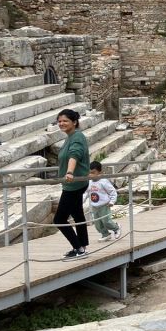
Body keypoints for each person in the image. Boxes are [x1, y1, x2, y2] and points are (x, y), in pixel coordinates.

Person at [55, 108, 91, 261]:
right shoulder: (71, 136)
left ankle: (78, 248)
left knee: (59, 219)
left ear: (74, 122)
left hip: (73, 184)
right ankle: (82, 245)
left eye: (65, 121)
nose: (61, 123)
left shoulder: (76, 137)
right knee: (77, 214)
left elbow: (74, 155)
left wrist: (69, 172)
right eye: (59, 121)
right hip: (77, 182)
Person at [84, 161, 120, 242]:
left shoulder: (103, 181)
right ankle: (105, 234)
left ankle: (116, 228)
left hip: (104, 205)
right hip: (94, 206)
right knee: (97, 223)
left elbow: (112, 192)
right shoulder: (89, 182)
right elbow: (86, 192)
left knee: (106, 221)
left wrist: (112, 201)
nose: (91, 175)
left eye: (93, 173)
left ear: (99, 172)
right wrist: (82, 200)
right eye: (89, 173)